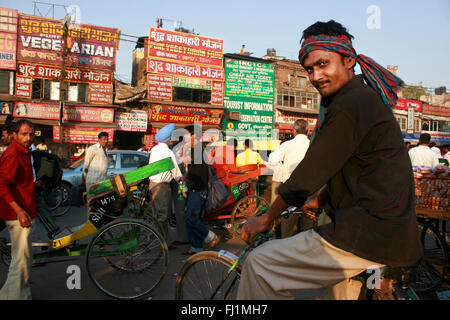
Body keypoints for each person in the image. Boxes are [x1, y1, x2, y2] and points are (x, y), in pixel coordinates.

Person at [237, 20, 422, 300]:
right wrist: (319, 201)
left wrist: (265, 219)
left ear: (349, 60)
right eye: (309, 69)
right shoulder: (358, 99)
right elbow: (349, 167)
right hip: (385, 233)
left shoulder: (350, 104)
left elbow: (309, 174)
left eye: (323, 64)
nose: (316, 75)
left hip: (366, 233)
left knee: (261, 263)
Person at [0, 120, 44, 300]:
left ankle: (14, 295)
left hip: (26, 210)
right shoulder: (13, 153)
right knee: (20, 262)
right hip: (18, 214)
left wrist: (33, 186)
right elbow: (2, 185)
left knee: (23, 261)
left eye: (31, 134)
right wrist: (19, 211)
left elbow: (19, 182)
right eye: (24, 134)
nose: (28, 138)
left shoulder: (25, 152)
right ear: (14, 135)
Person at [268, 119, 310, 237]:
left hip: (291, 190)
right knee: (307, 230)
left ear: (293, 131)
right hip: (310, 190)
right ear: (307, 131)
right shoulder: (312, 145)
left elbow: (272, 160)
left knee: (287, 229)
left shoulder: (287, 145)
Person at [182, 125, 218, 255]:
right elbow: (193, 168)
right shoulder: (195, 148)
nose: (184, 137)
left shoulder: (196, 148)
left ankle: (209, 236)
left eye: (186, 135)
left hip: (198, 190)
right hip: (193, 188)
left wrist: (178, 160)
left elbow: (189, 160)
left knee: (191, 218)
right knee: (190, 218)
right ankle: (196, 247)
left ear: (193, 136)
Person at [147, 124, 182, 242]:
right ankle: (155, 241)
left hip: (153, 184)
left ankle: (163, 240)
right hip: (162, 186)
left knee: (158, 214)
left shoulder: (154, 149)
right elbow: (175, 171)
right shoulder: (168, 152)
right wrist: (181, 181)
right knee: (164, 215)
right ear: (168, 139)